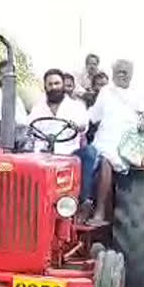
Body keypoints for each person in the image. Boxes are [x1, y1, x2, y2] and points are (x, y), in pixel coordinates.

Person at [87, 59, 144, 225]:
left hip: (128, 143)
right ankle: (84, 204)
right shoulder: (105, 92)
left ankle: (100, 210)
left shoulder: (140, 94)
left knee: (106, 160)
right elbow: (93, 116)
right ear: (113, 73)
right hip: (104, 138)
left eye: (125, 72)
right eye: (119, 71)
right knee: (88, 157)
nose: (122, 75)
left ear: (131, 74)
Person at [27, 69, 97, 212]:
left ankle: (81, 201)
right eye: (50, 84)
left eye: (57, 83)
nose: (54, 87)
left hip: (69, 153)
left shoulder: (76, 107)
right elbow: (29, 128)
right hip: (42, 155)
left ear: (63, 85)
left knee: (89, 153)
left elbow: (83, 125)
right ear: (45, 87)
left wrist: (76, 126)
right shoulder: (38, 108)